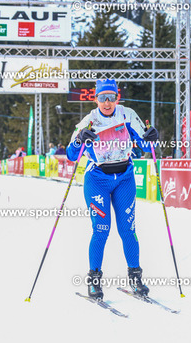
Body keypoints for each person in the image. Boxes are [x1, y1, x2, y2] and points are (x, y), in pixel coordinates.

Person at [66, 79, 159, 300]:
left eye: (111, 97)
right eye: (102, 98)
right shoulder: (89, 121)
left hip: (124, 178)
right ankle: (94, 281)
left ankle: (135, 279)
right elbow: (71, 155)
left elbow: (146, 145)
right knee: (101, 230)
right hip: (97, 180)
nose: (107, 102)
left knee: (128, 229)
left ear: (118, 98)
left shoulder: (127, 115)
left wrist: (152, 137)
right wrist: (79, 139)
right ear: (95, 99)